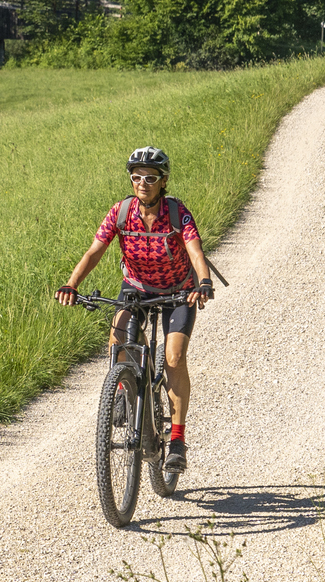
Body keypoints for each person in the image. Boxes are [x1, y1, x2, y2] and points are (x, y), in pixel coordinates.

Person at [54, 147, 213, 477]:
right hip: (136, 289)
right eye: (137, 176)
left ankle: (178, 442)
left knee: (174, 357)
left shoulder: (177, 213)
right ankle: (124, 390)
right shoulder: (121, 212)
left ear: (163, 181)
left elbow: (196, 252)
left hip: (177, 292)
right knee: (119, 336)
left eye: (151, 177)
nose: (143, 182)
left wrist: (205, 281)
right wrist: (72, 283)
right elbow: (95, 251)